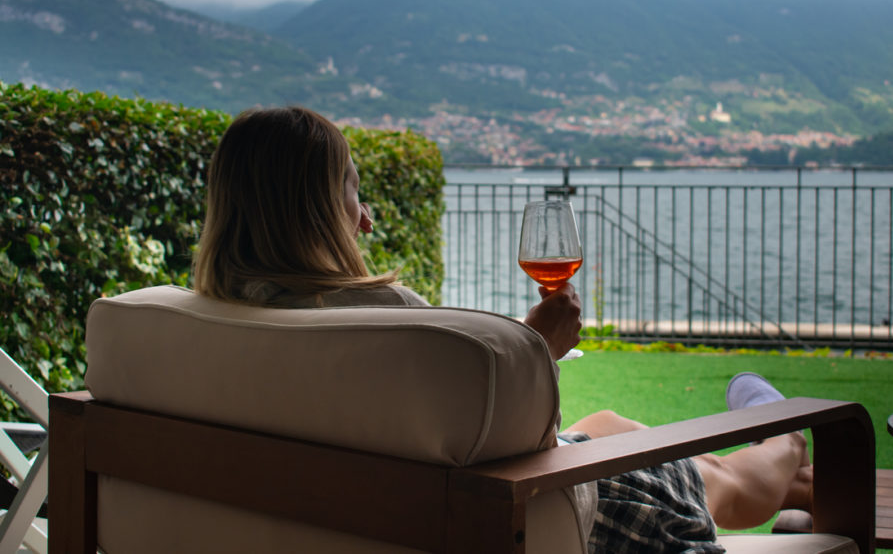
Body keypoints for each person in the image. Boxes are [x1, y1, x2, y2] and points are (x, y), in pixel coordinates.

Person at [193, 106, 813, 554]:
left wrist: (519, 343)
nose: (368, 220)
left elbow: (437, 414)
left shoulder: (198, 321)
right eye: (353, 194)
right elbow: (514, 438)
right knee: (717, 479)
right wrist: (538, 348)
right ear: (317, 211)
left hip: (378, 503)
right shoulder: (379, 317)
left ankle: (800, 501)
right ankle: (785, 439)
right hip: (516, 510)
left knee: (612, 427)